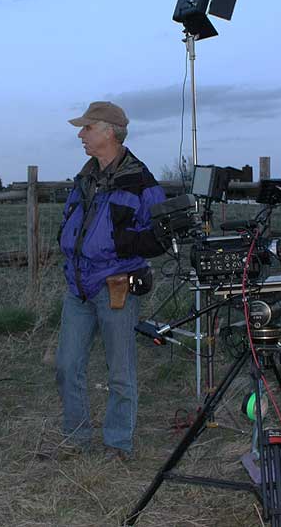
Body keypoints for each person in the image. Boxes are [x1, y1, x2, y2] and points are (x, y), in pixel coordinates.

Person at [56, 101, 166, 460]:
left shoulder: (141, 182)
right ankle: (77, 438)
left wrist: (122, 244)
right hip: (79, 288)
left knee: (120, 373)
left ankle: (118, 445)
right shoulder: (84, 178)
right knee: (66, 365)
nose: (81, 134)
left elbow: (160, 237)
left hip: (116, 286)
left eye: (87, 128)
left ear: (109, 132)